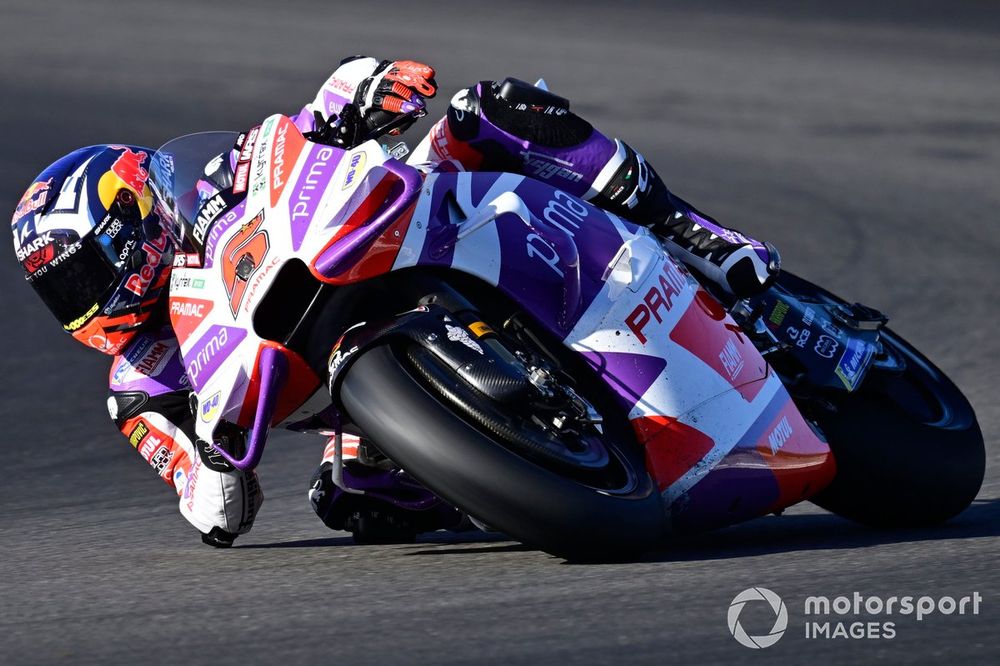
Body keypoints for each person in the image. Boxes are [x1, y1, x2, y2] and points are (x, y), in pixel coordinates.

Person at [11, 56, 780, 547]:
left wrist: (368, 91)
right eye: (59, 292)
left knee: (488, 110)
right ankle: (530, 464)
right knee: (357, 501)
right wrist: (208, 469)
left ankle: (693, 231)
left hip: (388, 235)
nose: (81, 303)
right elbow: (209, 503)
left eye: (83, 274)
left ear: (131, 224)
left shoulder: (213, 177)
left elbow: (306, 128)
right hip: (348, 396)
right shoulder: (136, 386)